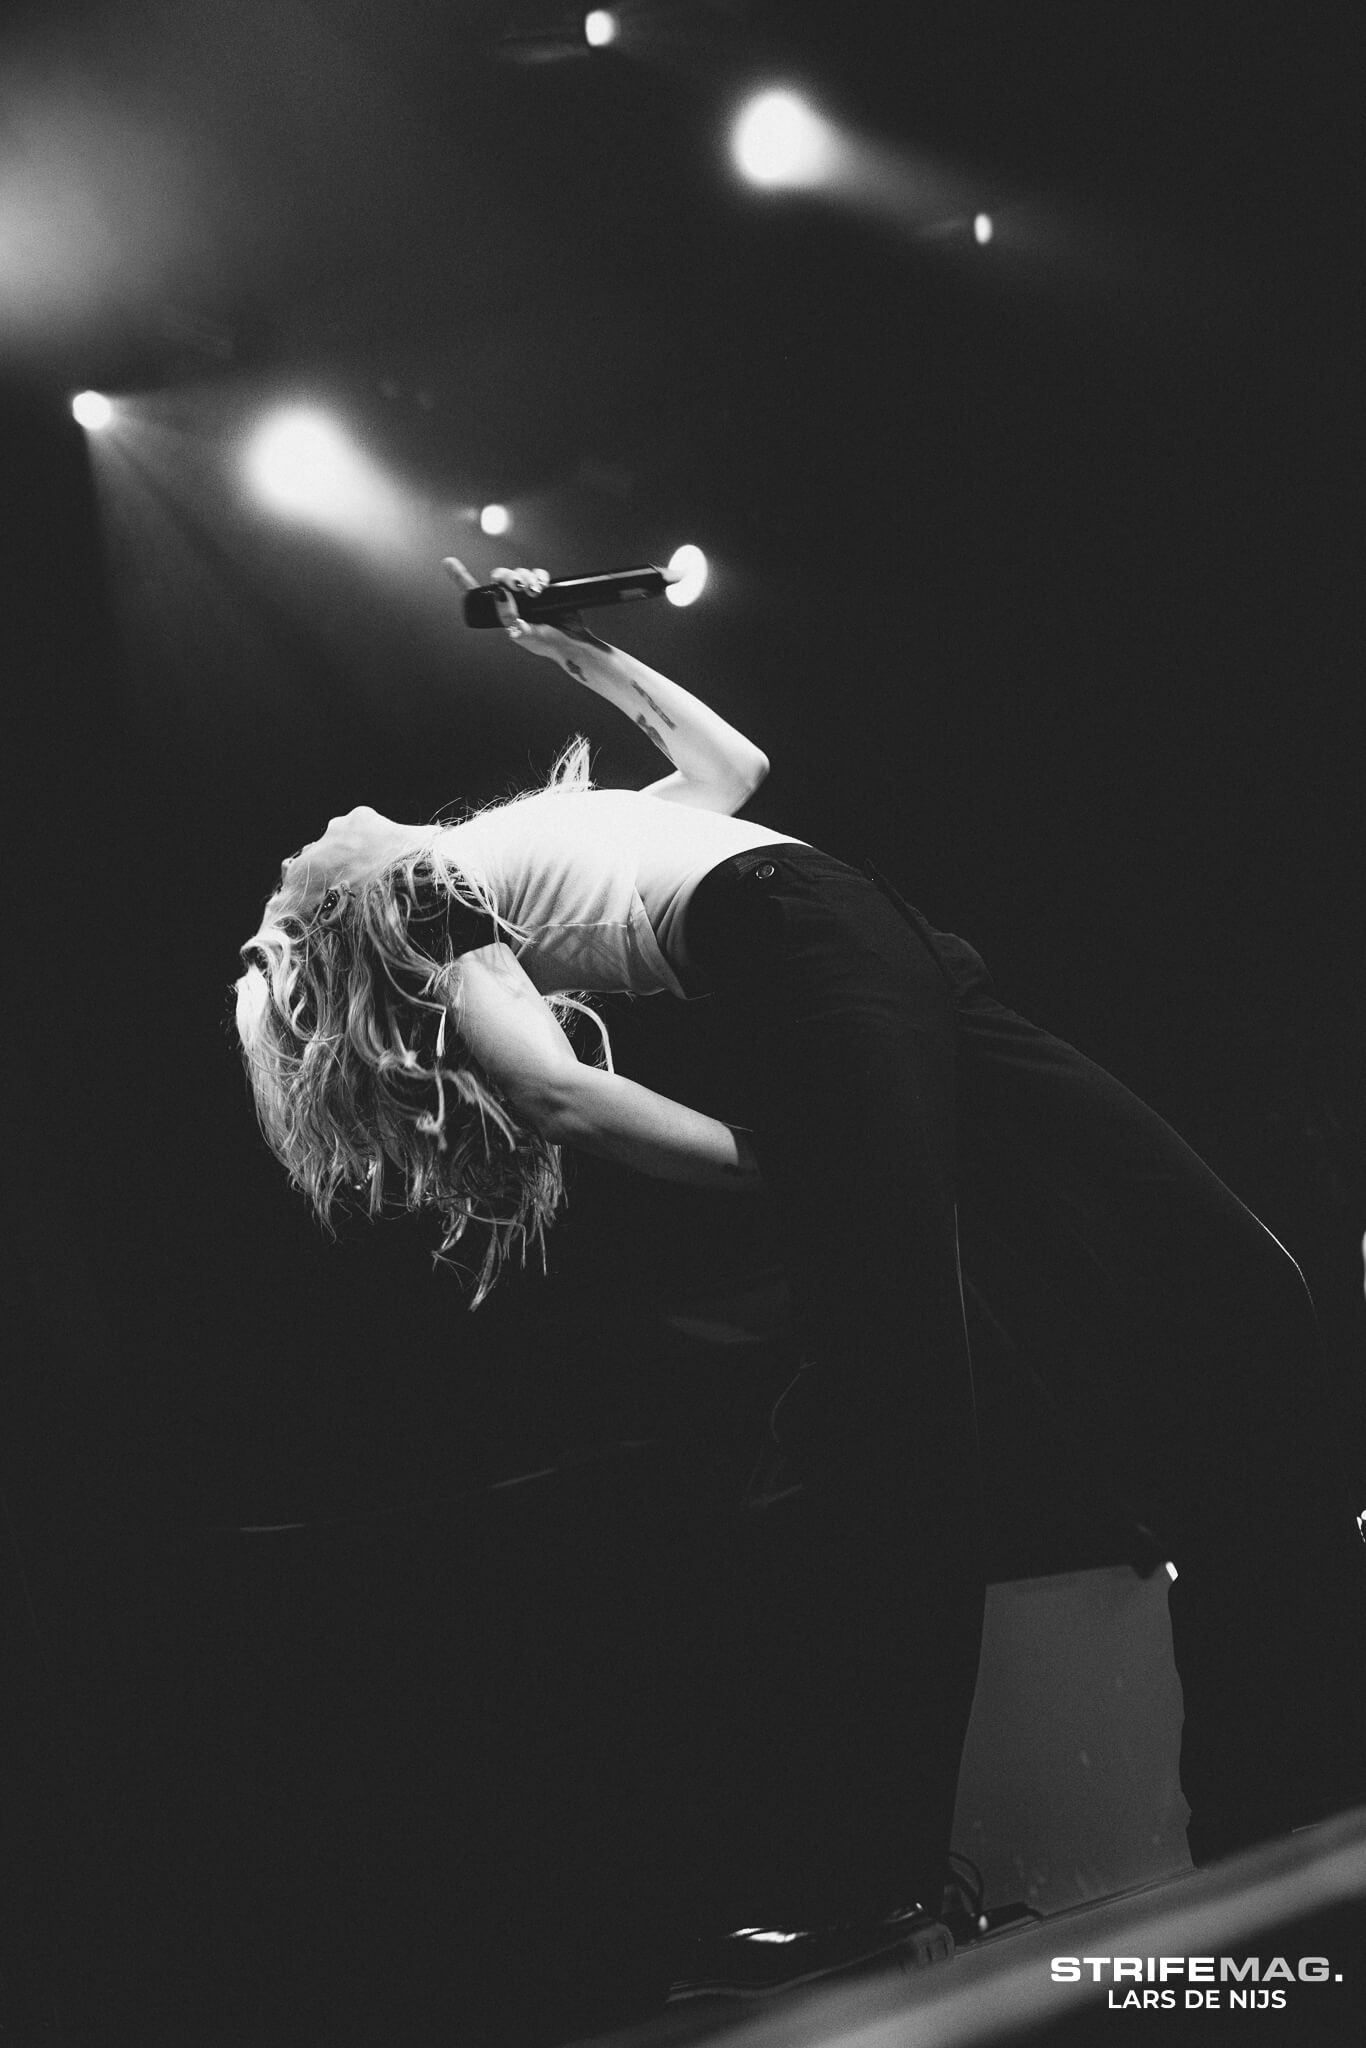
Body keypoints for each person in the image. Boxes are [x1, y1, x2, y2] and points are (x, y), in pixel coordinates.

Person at [234, 562, 1365, 1999]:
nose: (317, 826)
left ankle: (1301, 1753)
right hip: (813, 955)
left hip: (899, 955)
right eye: (294, 864)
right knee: (893, 1406)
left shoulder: (524, 847)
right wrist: (794, 1165)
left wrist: (561, 643)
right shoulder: (422, 894)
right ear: (332, 915)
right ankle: (858, 1880)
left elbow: (731, 766)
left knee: (1230, 1282)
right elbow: (562, 1095)